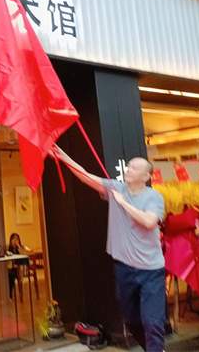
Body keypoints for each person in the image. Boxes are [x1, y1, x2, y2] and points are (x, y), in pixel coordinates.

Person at [54, 147, 165, 352]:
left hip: (151, 271)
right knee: (131, 320)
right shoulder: (115, 188)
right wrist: (63, 157)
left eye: (134, 168)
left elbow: (149, 222)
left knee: (153, 322)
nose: (128, 170)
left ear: (146, 176)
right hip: (124, 268)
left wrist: (123, 203)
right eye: (129, 166)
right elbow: (86, 176)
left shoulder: (153, 197)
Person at [7, 232, 30, 301]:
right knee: (10, 275)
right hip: (12, 268)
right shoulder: (9, 249)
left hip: (21, 267)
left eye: (17, 239)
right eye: (13, 239)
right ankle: (10, 295)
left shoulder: (21, 247)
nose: (15, 240)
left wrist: (18, 246)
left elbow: (24, 255)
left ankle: (21, 295)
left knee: (18, 271)